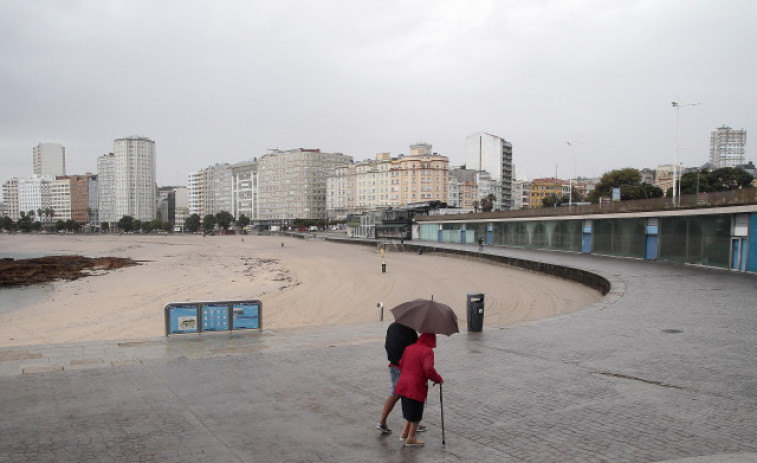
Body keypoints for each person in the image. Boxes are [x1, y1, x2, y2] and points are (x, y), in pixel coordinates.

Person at [394, 333, 443, 447]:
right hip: (416, 386)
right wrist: (438, 379)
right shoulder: (427, 351)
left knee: (409, 410)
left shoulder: (409, 348)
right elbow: (428, 369)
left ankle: (404, 433)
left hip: (404, 384)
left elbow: (401, 363)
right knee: (416, 413)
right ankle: (411, 438)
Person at [376, 322, 426, 435]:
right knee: (410, 395)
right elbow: (414, 351)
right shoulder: (410, 331)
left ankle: (382, 422)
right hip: (404, 368)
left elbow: (387, 345)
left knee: (395, 393)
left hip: (393, 365)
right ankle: (412, 425)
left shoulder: (392, 327)